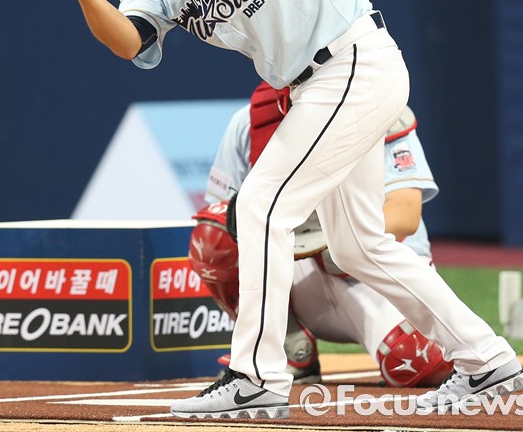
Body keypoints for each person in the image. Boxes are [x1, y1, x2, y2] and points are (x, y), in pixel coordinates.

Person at [25, 0, 523, 419]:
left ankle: (255, 377)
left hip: (351, 60)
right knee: (360, 247)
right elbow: (130, 41)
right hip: (316, 86)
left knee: (262, 207)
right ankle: (487, 360)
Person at [189, 82, 453, 389]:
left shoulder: (378, 104)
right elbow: (221, 217)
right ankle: (286, 346)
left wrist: (334, 236)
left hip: (375, 274)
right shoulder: (250, 120)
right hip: (300, 271)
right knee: (213, 235)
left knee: (420, 361)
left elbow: (405, 214)